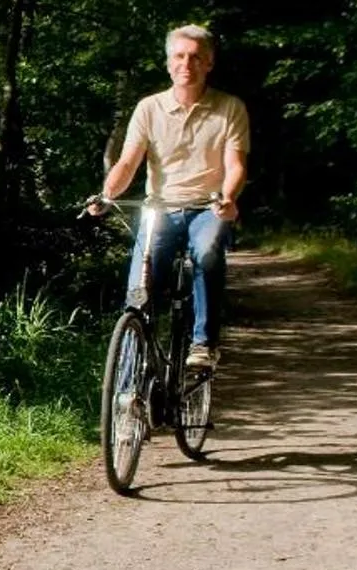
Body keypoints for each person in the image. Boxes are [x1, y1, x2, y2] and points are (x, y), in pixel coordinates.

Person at [88, 24, 250, 369]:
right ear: (168, 63)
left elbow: (235, 164)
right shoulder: (149, 108)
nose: (186, 64)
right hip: (160, 208)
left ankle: (204, 343)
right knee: (139, 288)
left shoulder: (229, 108)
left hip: (207, 207)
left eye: (195, 57)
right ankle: (129, 384)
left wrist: (227, 196)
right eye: (179, 56)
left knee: (207, 253)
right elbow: (128, 161)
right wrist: (106, 195)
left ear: (209, 63)